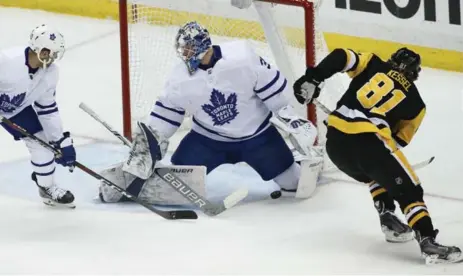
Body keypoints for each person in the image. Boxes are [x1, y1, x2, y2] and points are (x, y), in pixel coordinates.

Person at [99, 21, 323, 205]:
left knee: (293, 184)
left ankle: (304, 161)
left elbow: (275, 93)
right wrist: (149, 144)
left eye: (188, 48)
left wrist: (292, 119)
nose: (185, 53)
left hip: (258, 138)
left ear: (202, 46)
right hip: (207, 141)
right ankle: (124, 184)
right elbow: (164, 118)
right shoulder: (180, 79)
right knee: (177, 185)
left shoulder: (242, 58)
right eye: (183, 49)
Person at [293, 47, 462, 264]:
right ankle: (428, 241)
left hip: (335, 144)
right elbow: (398, 140)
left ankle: (388, 216)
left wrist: (313, 78)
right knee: (409, 189)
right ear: (415, 73)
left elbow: (341, 56)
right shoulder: (417, 104)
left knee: (374, 172)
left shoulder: (372, 62)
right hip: (370, 143)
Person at [0, 24, 76, 208]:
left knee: (41, 143)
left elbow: (47, 109)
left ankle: (47, 188)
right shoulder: (8, 61)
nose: (50, 58)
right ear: (36, 48)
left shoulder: (50, 74)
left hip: (15, 110)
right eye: (47, 52)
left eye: (54, 54)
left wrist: (59, 141)